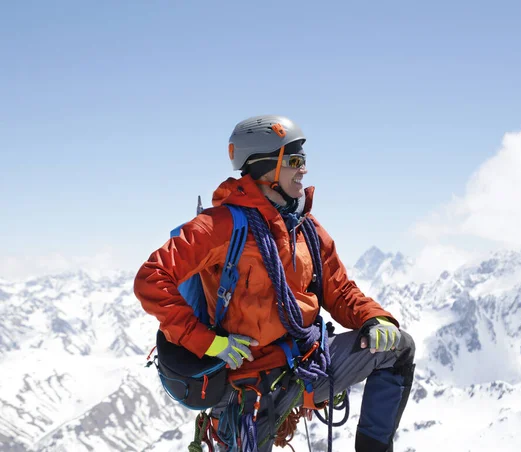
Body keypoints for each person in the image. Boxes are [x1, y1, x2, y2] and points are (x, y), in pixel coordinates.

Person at [133, 115, 416, 452]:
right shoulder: (219, 226)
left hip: (305, 363)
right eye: (295, 161)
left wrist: (374, 318)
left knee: (397, 349)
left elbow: (338, 289)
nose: (304, 170)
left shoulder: (305, 227)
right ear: (265, 168)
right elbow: (152, 278)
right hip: (247, 388)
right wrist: (209, 343)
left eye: (304, 161)